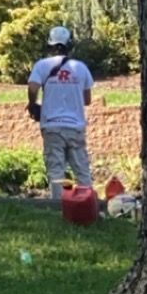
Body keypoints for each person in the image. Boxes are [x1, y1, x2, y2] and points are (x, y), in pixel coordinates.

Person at [27, 25, 94, 203]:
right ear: (69, 44)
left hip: (52, 126)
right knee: (81, 170)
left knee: (56, 170)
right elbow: (87, 100)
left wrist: (33, 104)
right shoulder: (81, 68)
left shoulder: (42, 66)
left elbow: (33, 87)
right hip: (75, 126)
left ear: (49, 45)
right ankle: (86, 206)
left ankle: (59, 206)